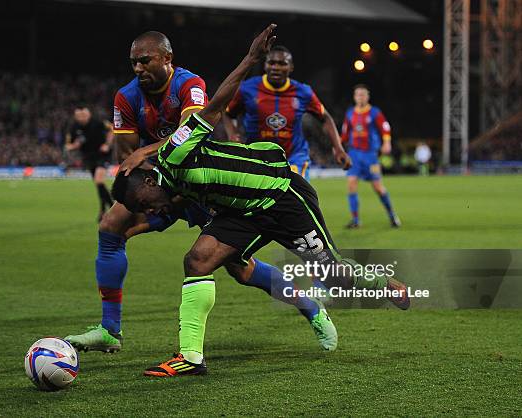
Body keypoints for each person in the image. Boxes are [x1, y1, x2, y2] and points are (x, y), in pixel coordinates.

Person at [112, 24, 410, 377]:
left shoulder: (175, 153)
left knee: (333, 276)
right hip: (244, 212)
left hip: (283, 196)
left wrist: (251, 57)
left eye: (145, 202)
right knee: (197, 260)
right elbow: (171, 206)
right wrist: (130, 230)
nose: (151, 210)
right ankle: (190, 357)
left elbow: (218, 103)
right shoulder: (169, 192)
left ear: (150, 179)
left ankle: (386, 285)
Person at [65, 31, 338, 354]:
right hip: (158, 185)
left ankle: (310, 307)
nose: (137, 68)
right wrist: (155, 190)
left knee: (238, 267)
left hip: (203, 184)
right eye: (133, 62)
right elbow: (129, 159)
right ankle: (110, 330)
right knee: (110, 227)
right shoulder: (126, 97)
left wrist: (150, 156)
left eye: (144, 60)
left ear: (167, 58)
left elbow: (189, 132)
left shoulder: (188, 84)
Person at [223, 45, 348, 180]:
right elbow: (228, 113)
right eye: (272, 62)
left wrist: (338, 148)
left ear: (291, 67)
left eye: (282, 63)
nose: (276, 67)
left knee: (296, 197)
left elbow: (325, 118)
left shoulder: (303, 92)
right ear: (265, 65)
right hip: (258, 158)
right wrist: (232, 133)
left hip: (294, 157)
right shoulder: (247, 89)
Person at [341, 85, 401, 228]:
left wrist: (387, 142)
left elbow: (385, 128)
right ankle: (355, 220)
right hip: (354, 154)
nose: (360, 97)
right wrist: (337, 146)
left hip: (370, 155)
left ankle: (392, 215)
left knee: (378, 187)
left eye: (363, 94)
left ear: (367, 97)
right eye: (358, 95)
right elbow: (344, 133)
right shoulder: (350, 113)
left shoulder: (374, 113)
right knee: (351, 184)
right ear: (354, 97)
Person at [65, 106, 114, 220]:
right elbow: (67, 145)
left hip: (102, 155)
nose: (82, 118)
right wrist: (74, 146)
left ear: (89, 114)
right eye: (79, 116)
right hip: (88, 157)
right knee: (98, 184)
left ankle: (112, 208)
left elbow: (112, 129)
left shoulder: (97, 122)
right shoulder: (73, 127)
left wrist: (107, 144)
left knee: (99, 180)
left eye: (84, 115)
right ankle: (103, 209)